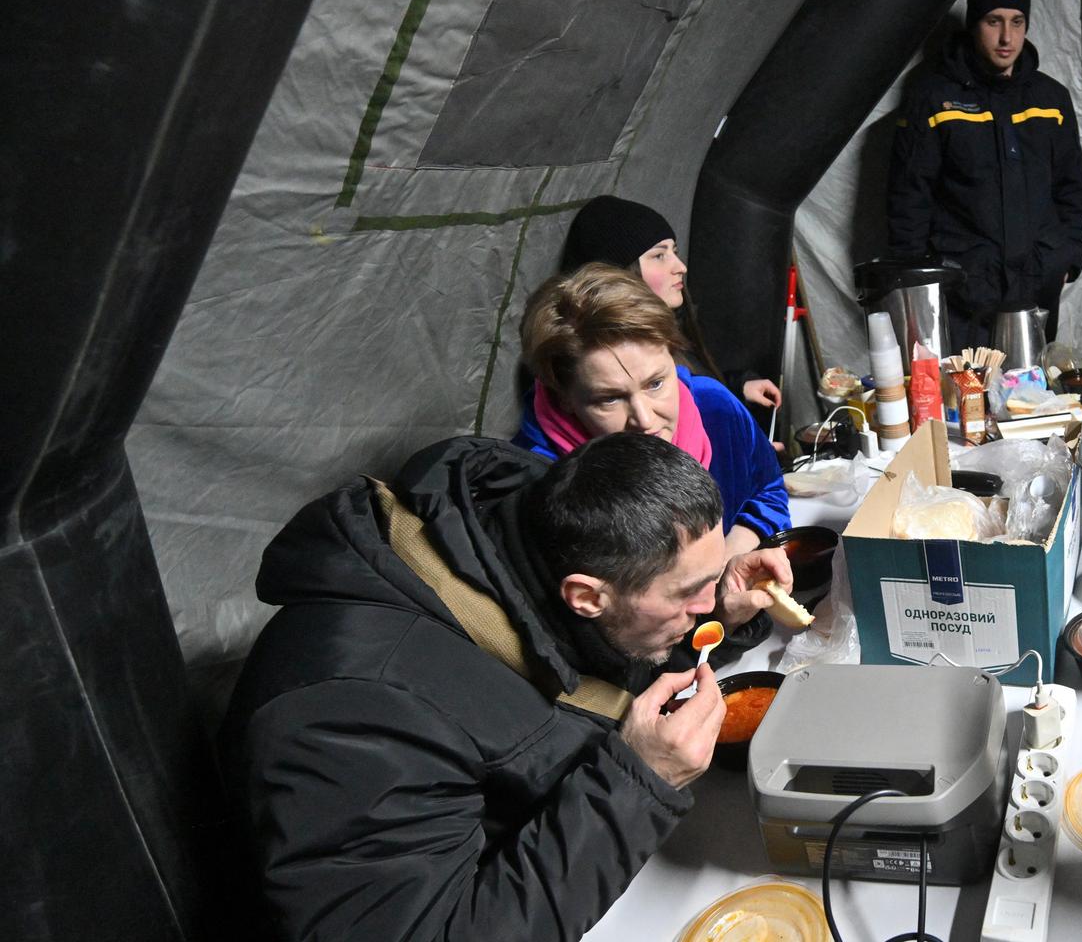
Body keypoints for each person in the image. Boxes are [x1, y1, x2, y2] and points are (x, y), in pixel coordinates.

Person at [222, 432, 797, 940]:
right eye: (687, 593)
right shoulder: (350, 717)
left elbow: (595, 650)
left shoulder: (527, 533)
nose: (701, 608)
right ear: (586, 596)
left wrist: (716, 603)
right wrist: (639, 782)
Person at [515, 264, 789, 555]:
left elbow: (768, 489)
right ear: (564, 398)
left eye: (656, 383)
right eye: (609, 399)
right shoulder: (536, 480)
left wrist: (727, 559)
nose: (645, 420)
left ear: (673, 356)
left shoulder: (716, 409)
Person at [886, 0, 1082, 348]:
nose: (1006, 37)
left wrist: (1068, 258)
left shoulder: (1051, 100)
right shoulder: (933, 98)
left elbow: (1072, 187)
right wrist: (922, 282)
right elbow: (909, 198)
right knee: (969, 401)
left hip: (1036, 286)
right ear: (974, 25)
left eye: (1017, 21)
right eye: (993, 21)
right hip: (964, 294)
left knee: (1030, 399)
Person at [560, 194, 783, 410]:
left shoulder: (668, 327)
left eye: (674, 252)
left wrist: (737, 387)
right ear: (620, 274)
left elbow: (692, 394)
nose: (680, 267)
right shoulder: (616, 359)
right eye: (659, 256)